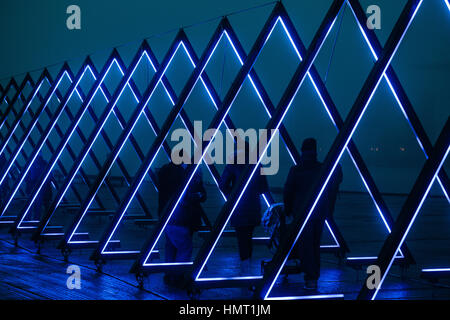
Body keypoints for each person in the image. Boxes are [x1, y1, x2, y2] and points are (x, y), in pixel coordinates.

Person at [283, 138, 342, 290]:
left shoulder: (296, 170)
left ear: (302, 151)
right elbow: (332, 186)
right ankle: (314, 276)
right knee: (315, 245)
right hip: (320, 212)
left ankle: (310, 277)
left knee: (305, 245)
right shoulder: (322, 168)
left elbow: (288, 191)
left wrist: (288, 209)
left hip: (302, 213)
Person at [219, 141, 269, 276]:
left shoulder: (232, 164)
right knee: (248, 237)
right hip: (253, 207)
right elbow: (264, 188)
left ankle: (245, 266)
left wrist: (233, 194)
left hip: (238, 207)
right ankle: (247, 264)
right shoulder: (257, 165)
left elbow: (222, 185)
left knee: (242, 238)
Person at [158, 154, 207, 288]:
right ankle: (178, 275)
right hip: (183, 216)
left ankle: (169, 273)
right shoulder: (186, 174)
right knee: (185, 247)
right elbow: (193, 195)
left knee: (170, 246)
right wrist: (197, 193)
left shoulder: (163, 172)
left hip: (165, 215)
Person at [25, 155, 52, 221]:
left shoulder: (32, 164)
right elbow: (49, 177)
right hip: (40, 186)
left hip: (36, 186)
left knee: (32, 204)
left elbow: (27, 177)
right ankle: (35, 219)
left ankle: (30, 219)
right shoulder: (44, 164)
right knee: (37, 204)